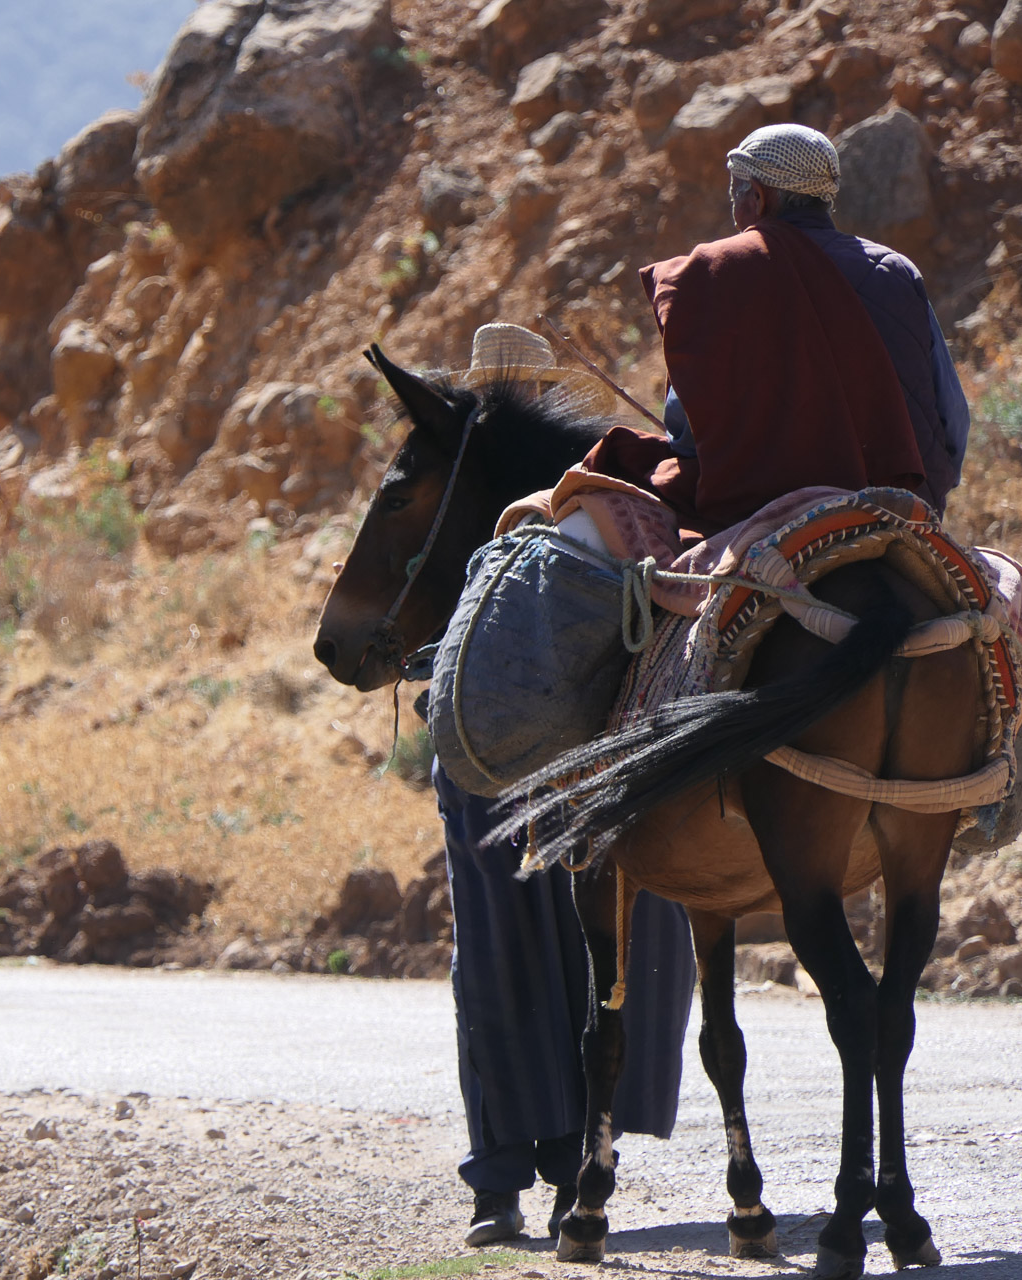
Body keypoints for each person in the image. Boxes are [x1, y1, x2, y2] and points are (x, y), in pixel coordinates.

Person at [429, 325, 697, 1249]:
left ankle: (500, 1181)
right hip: (590, 739)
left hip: (482, 745)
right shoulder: (607, 487)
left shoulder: (451, 478)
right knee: (585, 948)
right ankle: (568, 1164)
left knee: (496, 953)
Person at [611, 123, 971, 542]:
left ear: (759, 197)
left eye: (736, 195)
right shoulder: (896, 269)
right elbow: (954, 422)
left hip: (761, 522)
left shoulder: (718, 272)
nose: (734, 211)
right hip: (906, 511)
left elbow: (686, 434)